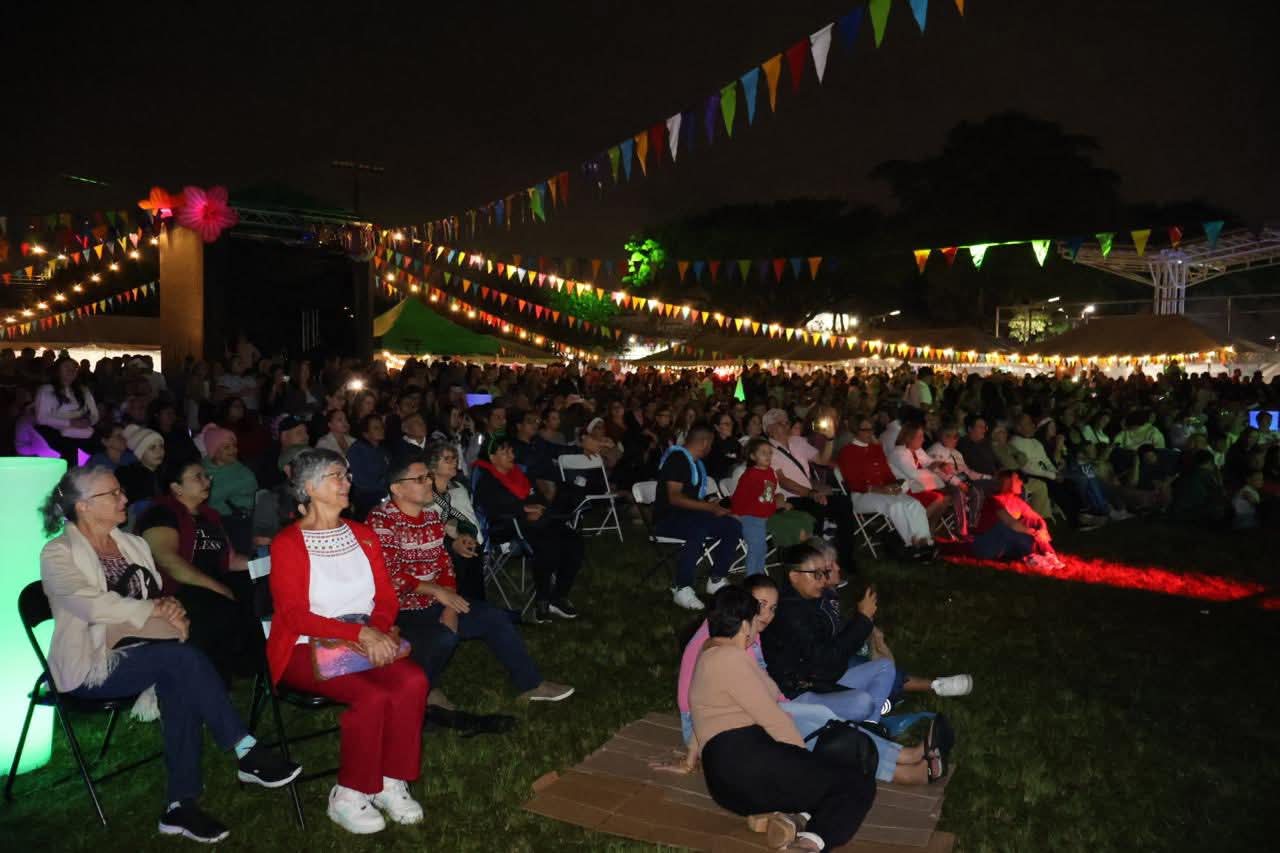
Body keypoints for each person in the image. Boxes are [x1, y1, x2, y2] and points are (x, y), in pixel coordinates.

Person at [39, 466, 299, 843]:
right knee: (180, 660)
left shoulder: (131, 543)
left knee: (178, 672)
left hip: (146, 648)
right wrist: (156, 610)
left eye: (121, 491)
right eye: (112, 494)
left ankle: (180, 807)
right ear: (83, 507)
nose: (124, 499)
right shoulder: (58, 553)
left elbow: (154, 593)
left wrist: (168, 607)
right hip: (91, 663)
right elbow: (92, 606)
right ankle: (245, 750)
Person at [267, 449, 428, 834]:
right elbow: (293, 616)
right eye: (337, 476)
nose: (347, 483)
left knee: (413, 682)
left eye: (347, 475)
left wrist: (381, 629)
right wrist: (360, 633)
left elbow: (386, 598)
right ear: (309, 488)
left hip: (365, 637)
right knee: (372, 697)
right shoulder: (288, 544)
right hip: (306, 646)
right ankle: (350, 792)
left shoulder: (363, 536)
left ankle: (391, 780)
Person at [671, 575, 940, 787]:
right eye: (760, 606)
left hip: (740, 713)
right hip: (715, 727)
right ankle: (897, 770)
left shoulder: (742, 633)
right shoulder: (723, 644)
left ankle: (900, 755)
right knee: (810, 731)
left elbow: (764, 686)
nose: (766, 614)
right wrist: (693, 753)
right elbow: (697, 705)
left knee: (819, 716)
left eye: (772, 608)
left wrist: (792, 706)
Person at [369, 456, 574, 712]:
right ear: (397, 489)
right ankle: (424, 690)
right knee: (443, 638)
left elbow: (445, 566)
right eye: (421, 479)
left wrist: (451, 606)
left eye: (429, 477)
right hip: (401, 611)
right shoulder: (381, 521)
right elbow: (391, 576)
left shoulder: (431, 518)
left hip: (435, 601)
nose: (429, 483)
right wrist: (437, 591)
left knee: (495, 618)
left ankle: (531, 684)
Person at [689, 585, 876, 852]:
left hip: (725, 780)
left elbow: (770, 691)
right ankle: (811, 843)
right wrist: (801, 760)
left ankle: (795, 820)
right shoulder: (730, 659)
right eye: (755, 619)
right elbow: (773, 718)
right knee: (858, 784)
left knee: (829, 777)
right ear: (744, 625)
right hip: (745, 765)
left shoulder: (709, 654)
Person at [137, 458, 263, 681]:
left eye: (207, 476)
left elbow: (230, 559)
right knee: (220, 605)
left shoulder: (210, 516)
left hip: (216, 580)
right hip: (181, 588)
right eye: (198, 477)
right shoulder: (160, 514)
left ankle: (260, 667)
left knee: (261, 588)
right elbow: (168, 561)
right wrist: (219, 588)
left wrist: (269, 564)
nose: (207, 481)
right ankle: (221, 676)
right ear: (176, 487)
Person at [762, 544, 896, 724]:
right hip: (798, 694)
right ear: (794, 576)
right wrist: (862, 620)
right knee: (862, 703)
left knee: (884, 667)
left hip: (824, 680)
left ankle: (870, 728)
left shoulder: (813, 600)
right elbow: (826, 659)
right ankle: (865, 731)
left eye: (825, 573)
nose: (823, 580)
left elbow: (835, 650)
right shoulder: (788, 612)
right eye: (816, 574)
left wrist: (862, 623)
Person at [472, 435, 584, 621]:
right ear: (492, 457)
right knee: (547, 543)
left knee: (573, 541)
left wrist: (539, 507)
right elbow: (490, 507)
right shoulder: (487, 478)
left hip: (536, 521)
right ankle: (542, 602)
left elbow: (535, 496)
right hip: (507, 526)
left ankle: (558, 596)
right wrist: (522, 510)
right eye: (504, 451)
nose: (511, 454)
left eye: (511, 450)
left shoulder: (518, 474)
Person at [654, 423, 744, 610]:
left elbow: (693, 498)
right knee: (698, 528)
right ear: (704, 442)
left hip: (691, 516)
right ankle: (682, 587)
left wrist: (714, 504)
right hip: (667, 520)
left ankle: (717, 578)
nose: (711, 448)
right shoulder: (677, 459)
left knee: (732, 525)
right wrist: (709, 508)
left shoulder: (694, 463)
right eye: (711, 444)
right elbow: (675, 497)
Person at [761, 408, 858, 569]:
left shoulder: (798, 442)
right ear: (770, 429)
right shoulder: (766, 450)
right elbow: (783, 481)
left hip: (809, 495)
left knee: (844, 503)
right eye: (781, 423)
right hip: (788, 498)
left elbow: (822, 460)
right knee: (816, 510)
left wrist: (830, 439)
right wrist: (811, 493)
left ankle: (845, 559)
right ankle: (816, 563)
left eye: (787, 422)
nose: (786, 426)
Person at [835, 418, 936, 558]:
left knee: (914, 504)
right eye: (865, 429)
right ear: (855, 431)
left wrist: (895, 484)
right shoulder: (847, 452)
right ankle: (911, 545)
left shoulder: (876, 449)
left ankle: (925, 543)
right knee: (896, 505)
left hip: (884, 491)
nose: (870, 433)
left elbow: (886, 472)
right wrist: (879, 489)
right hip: (862, 495)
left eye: (871, 429)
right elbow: (853, 482)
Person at [730, 438, 813, 576]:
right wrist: (737, 514)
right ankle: (752, 577)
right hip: (750, 517)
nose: (768, 456)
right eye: (763, 453)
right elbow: (739, 497)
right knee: (756, 548)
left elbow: (768, 496)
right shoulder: (749, 475)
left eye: (770, 453)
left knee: (762, 548)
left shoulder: (770, 472)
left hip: (766, 515)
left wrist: (779, 505)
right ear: (752, 456)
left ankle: (760, 574)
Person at [422, 441, 486, 601]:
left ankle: (476, 605)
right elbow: (426, 525)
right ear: (433, 465)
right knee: (456, 553)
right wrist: (452, 540)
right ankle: (457, 603)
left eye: (455, 458)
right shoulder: (423, 491)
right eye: (448, 459)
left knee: (471, 548)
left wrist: (467, 535)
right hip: (436, 543)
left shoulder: (459, 488)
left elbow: (469, 518)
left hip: (463, 537)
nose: (454, 462)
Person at [970, 470, 1065, 569]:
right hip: (987, 544)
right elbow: (1010, 523)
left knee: (1031, 523)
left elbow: (1037, 518)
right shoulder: (994, 500)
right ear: (1008, 481)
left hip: (1008, 544)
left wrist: (1042, 530)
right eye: (1018, 479)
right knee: (1005, 528)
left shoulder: (1017, 501)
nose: (1022, 482)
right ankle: (1031, 557)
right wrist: (1033, 533)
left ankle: (1049, 554)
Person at [887, 423, 964, 536]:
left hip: (916, 486)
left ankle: (929, 530)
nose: (923, 439)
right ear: (909, 438)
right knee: (938, 498)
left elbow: (928, 461)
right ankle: (915, 528)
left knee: (946, 498)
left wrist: (940, 464)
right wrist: (933, 469)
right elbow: (913, 474)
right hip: (904, 488)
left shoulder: (916, 450)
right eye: (920, 437)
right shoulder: (899, 453)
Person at [34, 354, 100, 466]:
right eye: (66, 368)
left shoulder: (83, 390)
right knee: (70, 450)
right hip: (55, 430)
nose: (71, 371)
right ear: (58, 370)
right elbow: (42, 418)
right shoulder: (47, 390)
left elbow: (94, 414)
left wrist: (89, 421)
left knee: (99, 445)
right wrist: (70, 422)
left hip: (81, 428)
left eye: (74, 368)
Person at [347, 413, 391, 519]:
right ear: (365, 433)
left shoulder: (383, 450)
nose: (381, 429)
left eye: (381, 426)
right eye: (376, 428)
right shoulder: (357, 450)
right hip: (367, 498)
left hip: (385, 494)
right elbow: (360, 481)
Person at [116, 425, 166, 507]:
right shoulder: (130, 476)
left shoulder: (166, 472)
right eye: (152, 448)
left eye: (161, 446)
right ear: (140, 453)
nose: (159, 451)